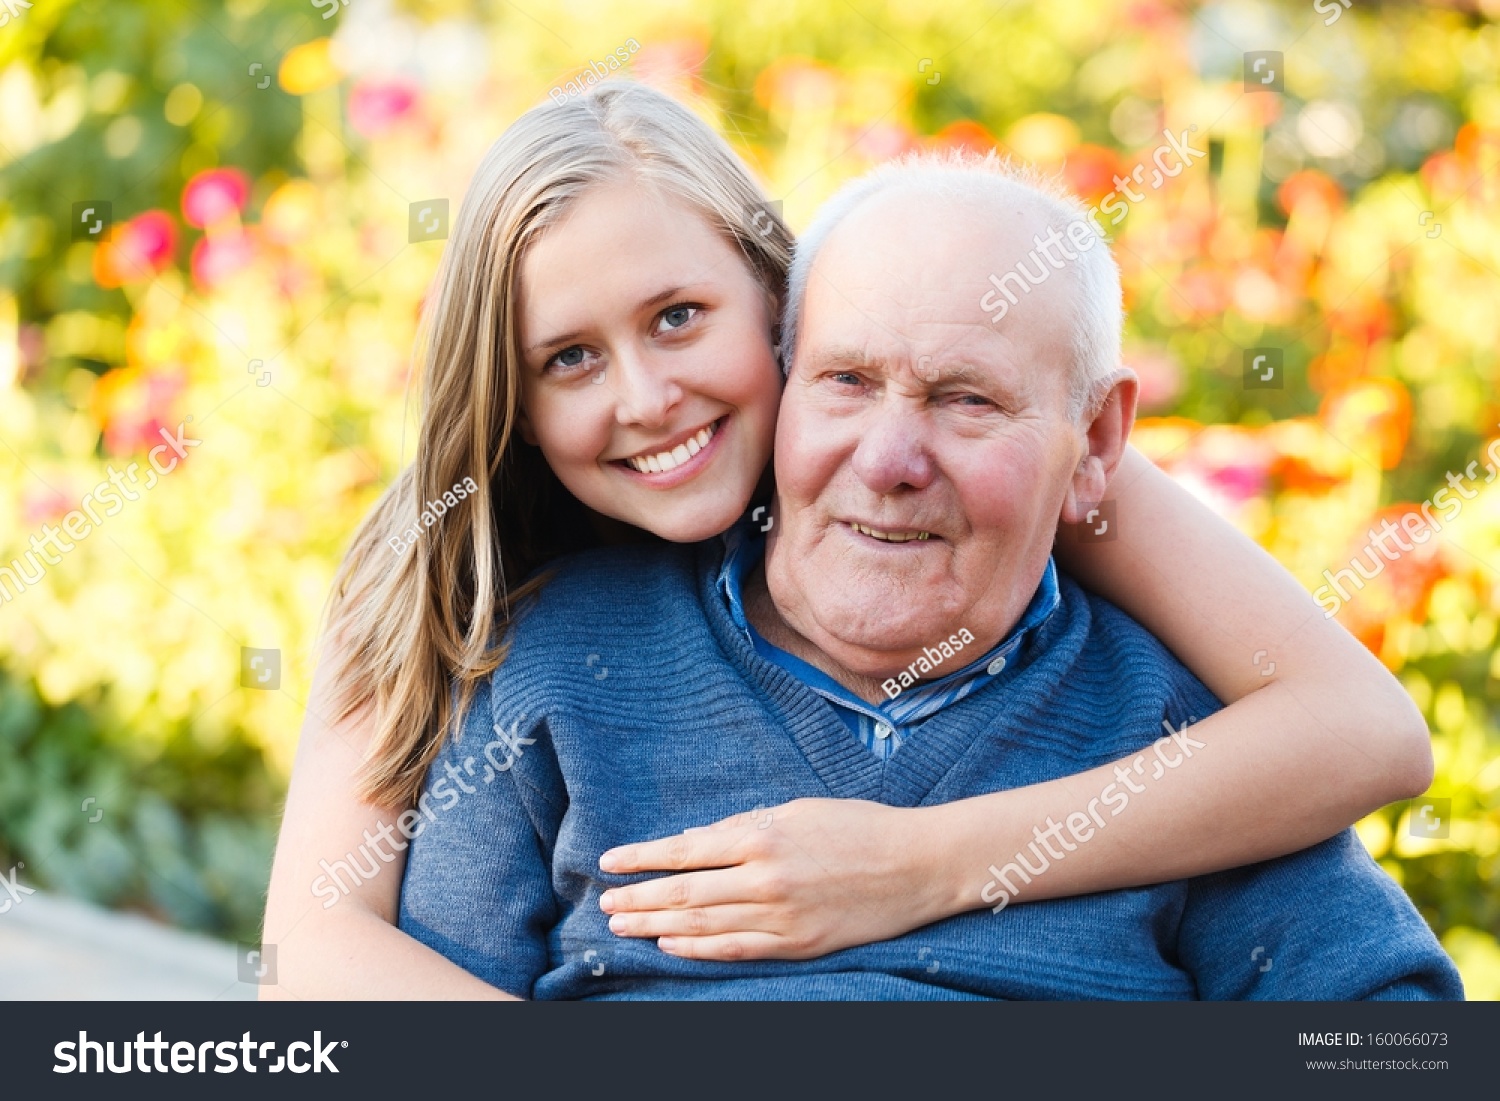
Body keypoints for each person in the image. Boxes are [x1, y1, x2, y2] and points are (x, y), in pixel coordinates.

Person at [261, 83, 1435, 998]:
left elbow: (1364, 739)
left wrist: (917, 867)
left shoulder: (1117, 617)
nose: (648, 397)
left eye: (679, 320)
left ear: (776, 313)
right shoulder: (497, 613)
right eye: (568, 357)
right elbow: (316, 957)